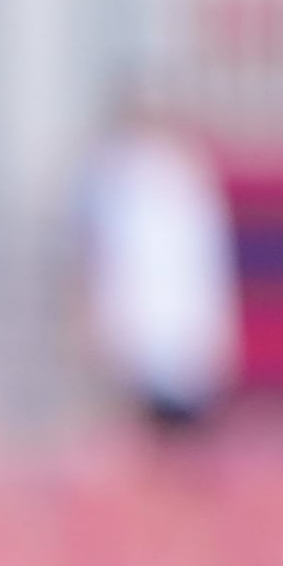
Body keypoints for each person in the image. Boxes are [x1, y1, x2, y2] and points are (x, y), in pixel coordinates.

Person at [80, 97, 240, 433]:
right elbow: (99, 253)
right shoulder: (115, 174)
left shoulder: (185, 173)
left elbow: (204, 262)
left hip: (179, 323)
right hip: (139, 321)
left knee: (181, 419)